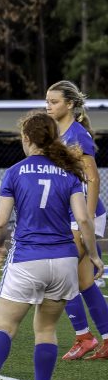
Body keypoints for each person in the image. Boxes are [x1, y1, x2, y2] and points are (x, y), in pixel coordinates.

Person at [0, 110, 103, 380]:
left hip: (27, 259)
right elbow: (84, 220)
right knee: (46, 331)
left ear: (27, 138)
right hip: (64, 262)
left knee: (4, 326)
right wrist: (93, 254)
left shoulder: (15, 171)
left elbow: (0, 222)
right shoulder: (69, 172)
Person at [44, 79, 108, 361]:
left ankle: (84, 337)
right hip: (72, 214)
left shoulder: (77, 135)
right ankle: (102, 339)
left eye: (54, 101)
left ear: (69, 104)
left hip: (84, 214)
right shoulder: (56, 133)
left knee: (62, 275)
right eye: (47, 101)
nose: (48, 106)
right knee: (83, 282)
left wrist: (88, 220)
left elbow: (93, 179)